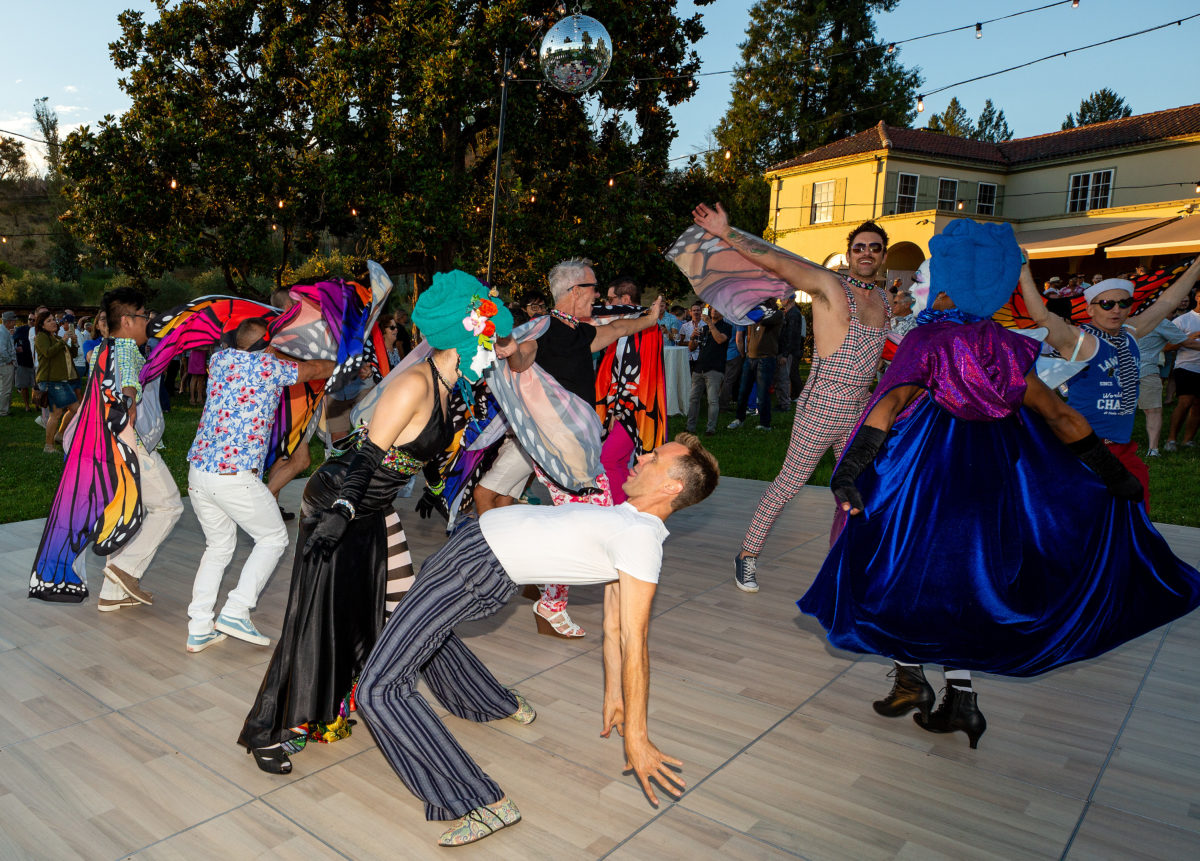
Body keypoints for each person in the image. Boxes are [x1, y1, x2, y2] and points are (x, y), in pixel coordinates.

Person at [800, 221, 1200, 749]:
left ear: (947, 284)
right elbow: (1059, 415)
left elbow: (890, 402)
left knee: (897, 575)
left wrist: (850, 469)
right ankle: (953, 699)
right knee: (970, 583)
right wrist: (1112, 473)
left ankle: (913, 679)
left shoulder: (928, 339)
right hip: (992, 485)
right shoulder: (1008, 346)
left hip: (928, 482)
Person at [354, 433, 720, 847]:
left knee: (379, 689)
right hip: (471, 555)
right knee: (422, 635)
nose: (643, 458)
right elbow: (613, 628)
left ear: (672, 487)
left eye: (654, 459)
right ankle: (492, 702)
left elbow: (634, 639)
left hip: (475, 570)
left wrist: (636, 734)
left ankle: (479, 802)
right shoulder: (628, 520)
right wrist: (614, 696)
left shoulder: (640, 540)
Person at [238, 271, 513, 774]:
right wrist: (340, 514)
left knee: (384, 609)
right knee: (316, 614)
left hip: (374, 506)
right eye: (491, 340)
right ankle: (273, 729)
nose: (497, 350)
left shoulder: (455, 386)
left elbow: (425, 454)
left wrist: (439, 491)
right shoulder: (413, 383)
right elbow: (365, 456)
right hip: (340, 501)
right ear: (464, 338)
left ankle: (352, 702)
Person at [691, 204, 890, 593]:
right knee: (788, 484)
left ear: (883, 255)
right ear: (849, 255)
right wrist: (725, 231)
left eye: (875, 248)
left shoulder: (883, 301)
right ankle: (746, 556)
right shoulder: (831, 287)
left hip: (859, 410)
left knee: (861, 488)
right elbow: (778, 262)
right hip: (821, 405)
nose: (866, 253)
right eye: (860, 247)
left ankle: (854, 564)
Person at [474, 258, 664, 638]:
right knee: (584, 523)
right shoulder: (543, 330)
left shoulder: (580, 332)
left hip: (576, 445)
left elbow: (620, 328)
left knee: (578, 522)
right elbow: (522, 355)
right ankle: (549, 601)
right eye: (593, 288)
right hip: (558, 448)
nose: (598, 294)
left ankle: (547, 597)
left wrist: (649, 318)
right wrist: (509, 345)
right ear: (574, 291)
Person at [184, 318, 334, 653]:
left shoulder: (219, 360)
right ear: (268, 344)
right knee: (273, 538)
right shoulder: (269, 367)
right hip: (233, 476)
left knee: (218, 548)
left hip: (199, 473)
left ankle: (199, 627)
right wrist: (342, 362)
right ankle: (236, 611)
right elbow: (312, 371)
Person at [1018, 256, 1200, 510]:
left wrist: (1197, 267)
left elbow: (1167, 301)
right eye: (1106, 304)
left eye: (1123, 303)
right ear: (1090, 309)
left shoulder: (1133, 333)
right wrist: (1025, 270)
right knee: (1085, 516)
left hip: (1123, 448)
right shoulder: (1078, 340)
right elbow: (1041, 316)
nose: (1116, 309)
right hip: (1085, 449)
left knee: (1134, 510)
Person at [1136, 315, 1199, 456]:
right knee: (1153, 411)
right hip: (1144, 371)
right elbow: (1186, 343)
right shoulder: (1160, 321)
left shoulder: (1120, 320)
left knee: (1116, 409)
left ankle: (1112, 445)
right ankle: (1153, 449)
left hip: (1119, 371)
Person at [728, 299, 783, 431]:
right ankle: (739, 418)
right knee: (743, 391)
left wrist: (753, 310)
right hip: (750, 357)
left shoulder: (777, 314)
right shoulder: (755, 312)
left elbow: (761, 320)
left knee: (763, 393)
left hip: (766, 358)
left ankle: (765, 423)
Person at [33, 309, 80, 453]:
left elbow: (72, 354)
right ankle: (49, 446)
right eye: (49, 320)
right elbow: (48, 353)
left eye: (53, 319)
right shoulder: (41, 337)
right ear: (41, 325)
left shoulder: (58, 338)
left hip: (61, 380)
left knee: (75, 408)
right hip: (50, 381)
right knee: (56, 414)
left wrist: (74, 342)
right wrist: (64, 341)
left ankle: (59, 435)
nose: (54, 322)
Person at [1164, 290, 1200, 451]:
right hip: (1186, 366)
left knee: (1198, 405)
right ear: (1197, 297)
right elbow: (1166, 346)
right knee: (1185, 402)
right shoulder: (1183, 320)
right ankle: (1171, 439)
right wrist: (1189, 339)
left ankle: (1188, 440)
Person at [685, 306, 729, 436]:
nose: (714, 311)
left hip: (715, 368)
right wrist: (692, 338)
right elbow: (692, 348)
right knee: (693, 399)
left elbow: (720, 340)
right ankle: (690, 427)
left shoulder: (726, 327)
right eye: (712, 309)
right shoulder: (703, 329)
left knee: (712, 400)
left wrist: (709, 323)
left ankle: (710, 429)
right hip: (699, 367)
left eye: (717, 309)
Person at [13, 312, 35, 412]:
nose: (31, 322)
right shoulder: (20, 330)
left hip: (36, 362)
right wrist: (16, 348)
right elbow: (12, 341)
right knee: (24, 386)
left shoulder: (40, 330)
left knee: (36, 386)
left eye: (34, 320)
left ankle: (37, 405)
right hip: (22, 361)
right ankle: (27, 406)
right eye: (30, 319)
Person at [0, 311, 16, 416]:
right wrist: (9, 360)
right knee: (6, 388)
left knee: (2, 387)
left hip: (3, 363)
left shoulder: (4, 330)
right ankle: (3, 411)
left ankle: (3, 408)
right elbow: (1, 349)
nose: (15, 322)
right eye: (14, 320)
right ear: (8, 322)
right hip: (5, 365)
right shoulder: (2, 332)